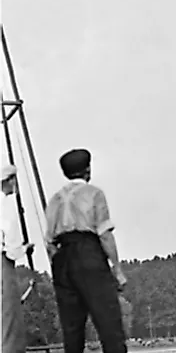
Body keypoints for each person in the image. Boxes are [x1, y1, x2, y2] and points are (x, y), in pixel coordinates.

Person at [44, 148, 128, 353]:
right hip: (88, 252)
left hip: (62, 257)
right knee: (108, 320)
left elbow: (49, 242)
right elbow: (105, 233)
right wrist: (117, 269)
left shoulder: (54, 200)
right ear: (87, 170)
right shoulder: (94, 194)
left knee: (71, 326)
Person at [2, 165, 34, 353]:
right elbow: (11, 248)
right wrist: (24, 249)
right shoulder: (6, 206)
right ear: (10, 181)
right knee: (9, 314)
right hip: (3, 264)